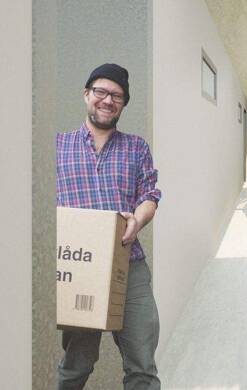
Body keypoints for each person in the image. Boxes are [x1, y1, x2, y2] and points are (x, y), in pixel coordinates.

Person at [56, 63, 162, 389]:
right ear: (86, 94)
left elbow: (150, 195)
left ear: (123, 104)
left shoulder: (136, 147)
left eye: (117, 95)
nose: (107, 100)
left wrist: (137, 219)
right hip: (80, 269)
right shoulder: (57, 146)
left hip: (128, 267)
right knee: (76, 366)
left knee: (142, 367)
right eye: (101, 91)